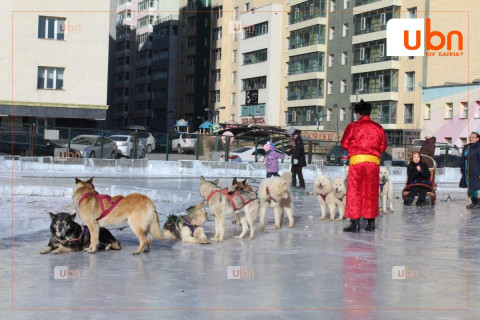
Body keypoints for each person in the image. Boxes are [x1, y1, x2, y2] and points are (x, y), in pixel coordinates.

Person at [341, 100, 387, 232]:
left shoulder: (353, 126)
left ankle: (355, 223)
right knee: (371, 191)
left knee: (354, 192)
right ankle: (370, 223)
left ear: (358, 113)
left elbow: (344, 144)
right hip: (373, 164)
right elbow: (383, 147)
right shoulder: (378, 127)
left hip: (357, 162)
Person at [460, 132, 480, 209]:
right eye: (470, 137)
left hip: (476, 170)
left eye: (473, 137)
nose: (471, 138)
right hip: (467, 170)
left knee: (477, 187)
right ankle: (473, 202)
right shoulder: (467, 147)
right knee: (470, 187)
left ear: (478, 138)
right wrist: (462, 168)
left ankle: (478, 203)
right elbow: (462, 159)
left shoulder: (478, 147)